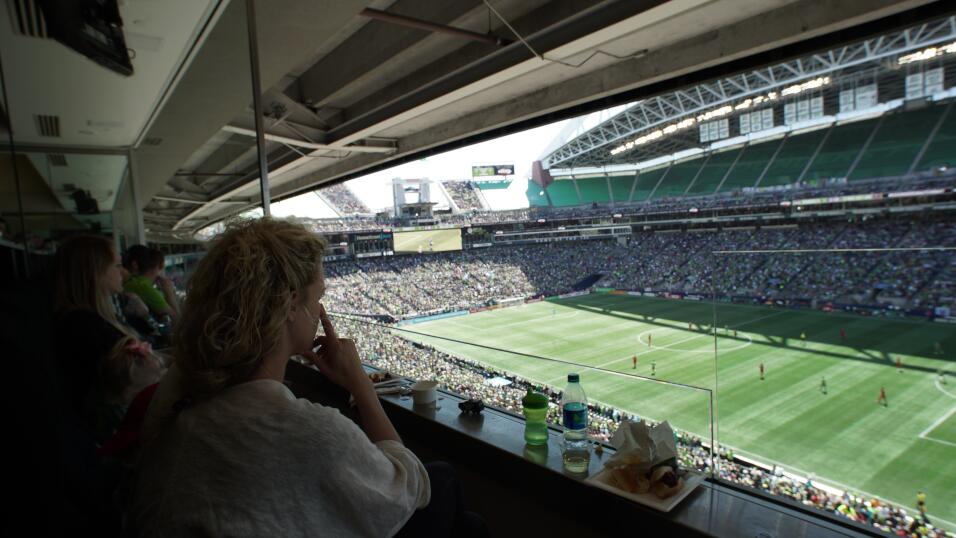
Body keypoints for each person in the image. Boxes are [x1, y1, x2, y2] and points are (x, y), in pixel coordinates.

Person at [126, 218, 486, 537]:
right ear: (289, 306)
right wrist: (360, 384)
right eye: (318, 297)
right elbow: (410, 485)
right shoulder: (309, 432)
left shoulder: (184, 409)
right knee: (443, 483)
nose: (320, 311)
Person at [54, 235, 140, 413]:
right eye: (117, 265)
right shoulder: (84, 326)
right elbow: (129, 384)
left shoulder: (83, 319)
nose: (124, 272)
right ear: (95, 272)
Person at [123, 245, 180, 322]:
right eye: (160, 267)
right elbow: (177, 318)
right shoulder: (142, 286)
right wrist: (169, 291)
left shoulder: (131, 283)